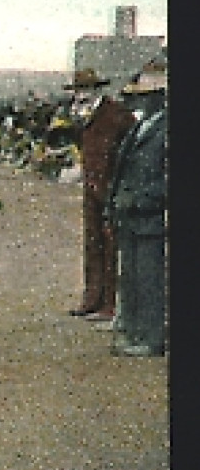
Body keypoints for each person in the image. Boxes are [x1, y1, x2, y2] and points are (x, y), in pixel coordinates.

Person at [106, 66, 167, 357]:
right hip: (130, 214)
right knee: (130, 276)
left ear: (160, 96)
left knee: (149, 279)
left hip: (151, 215)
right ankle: (133, 330)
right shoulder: (140, 126)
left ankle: (151, 337)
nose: (139, 102)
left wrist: (141, 199)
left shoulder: (168, 128)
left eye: (145, 96)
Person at [66, 70, 136, 320]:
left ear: (97, 89)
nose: (80, 94)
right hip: (91, 188)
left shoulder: (117, 115)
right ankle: (91, 298)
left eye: (85, 88)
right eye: (77, 89)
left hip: (111, 188)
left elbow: (130, 153)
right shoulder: (83, 115)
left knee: (111, 246)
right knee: (93, 244)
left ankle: (110, 304)